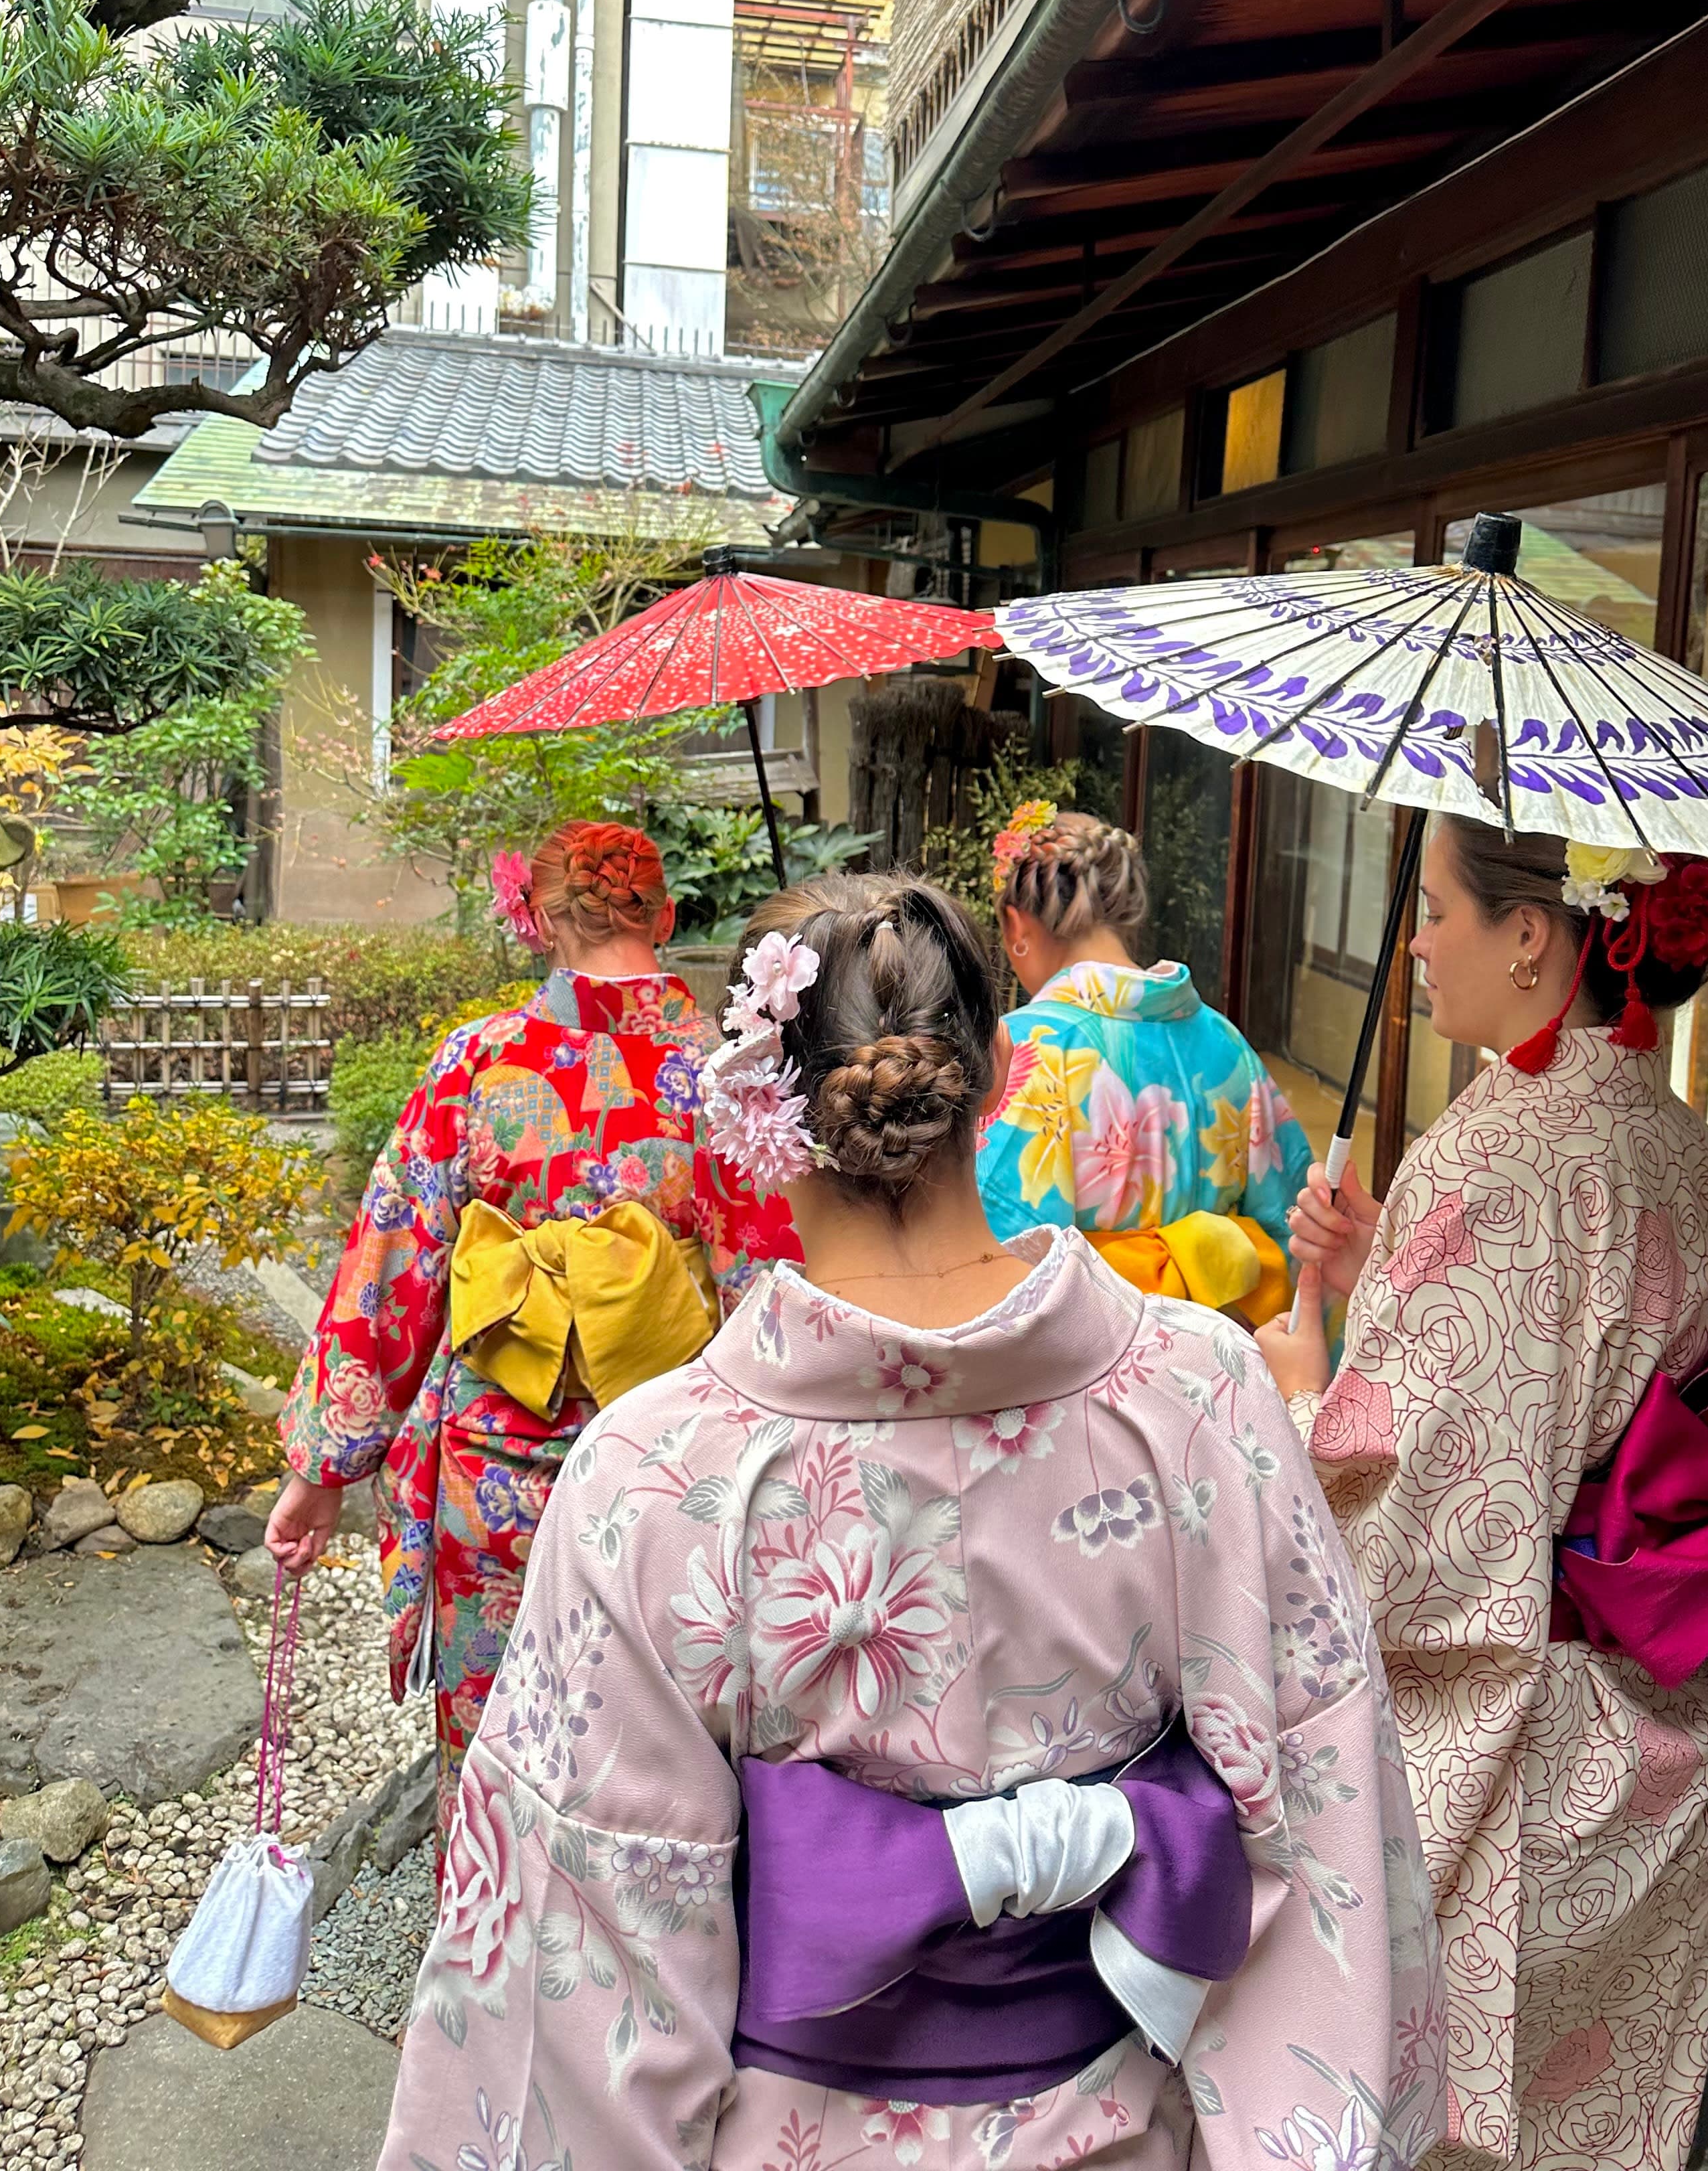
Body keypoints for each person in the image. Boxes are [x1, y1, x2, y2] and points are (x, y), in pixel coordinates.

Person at [377, 870, 1448, 2171]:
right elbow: (1323, 1815)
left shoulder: (655, 1481)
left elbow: (585, 1961)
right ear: (995, 1078)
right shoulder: (1199, 1395)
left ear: (749, 1119)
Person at [1258, 820, 1708, 2171]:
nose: (1420, 941)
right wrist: (1396, 1261)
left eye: (1434, 910)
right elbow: (1572, 1381)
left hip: (1515, 1741)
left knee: (1440, 2117)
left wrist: (1309, 1381)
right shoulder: (1690, 1156)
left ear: (1535, 936)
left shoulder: (1497, 1164)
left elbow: (1416, 1523)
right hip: (1651, 1728)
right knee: (1597, 2122)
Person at [267, 821, 789, 1836]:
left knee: (499, 1734)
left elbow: (394, 1267)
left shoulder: (477, 1065)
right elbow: (773, 1289)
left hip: (498, 1466)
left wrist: (321, 1474)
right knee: (668, 1738)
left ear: (540, 922)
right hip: (676, 1468)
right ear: (667, 916)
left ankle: (492, 1954)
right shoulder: (734, 1076)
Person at [977, 802, 1313, 1330]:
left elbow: (998, 1243)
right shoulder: (1225, 1042)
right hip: (1217, 1359)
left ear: (1017, 924)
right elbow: (1290, 1221)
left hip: (1089, 1362)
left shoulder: (1024, 1046)